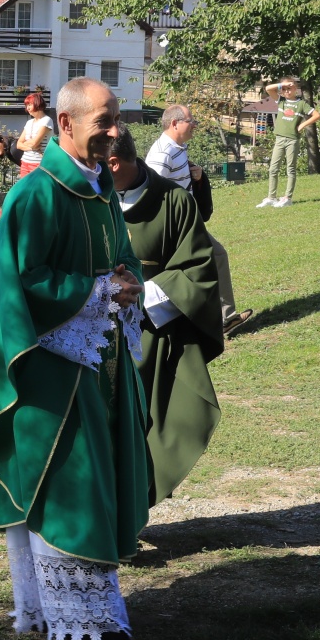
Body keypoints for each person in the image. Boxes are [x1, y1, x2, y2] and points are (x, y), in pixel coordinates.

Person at [0, 76, 161, 640]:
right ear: (65, 123)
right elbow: (20, 281)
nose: (115, 132)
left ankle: (72, 616)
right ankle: (91, 629)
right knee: (73, 490)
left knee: (100, 485)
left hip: (100, 364)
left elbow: (121, 259)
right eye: (103, 121)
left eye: (117, 119)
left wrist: (127, 283)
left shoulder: (99, 188)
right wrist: (98, 291)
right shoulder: (36, 195)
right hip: (55, 375)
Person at [106, 127, 224, 501]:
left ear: (113, 162)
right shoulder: (86, 197)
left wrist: (141, 295)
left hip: (149, 335)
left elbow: (198, 269)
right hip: (89, 332)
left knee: (142, 425)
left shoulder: (174, 201)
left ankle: (132, 508)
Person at [146, 106, 247, 333]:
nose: (195, 125)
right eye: (190, 121)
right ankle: (219, 319)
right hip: (177, 226)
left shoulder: (178, 147)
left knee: (210, 260)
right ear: (175, 124)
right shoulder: (162, 153)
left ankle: (219, 319)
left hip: (187, 221)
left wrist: (197, 177)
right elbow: (152, 192)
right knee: (211, 259)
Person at [257, 79, 320, 208]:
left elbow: (316, 115)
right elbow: (268, 89)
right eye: (284, 89)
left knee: (290, 169)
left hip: (292, 140)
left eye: (289, 88)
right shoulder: (281, 101)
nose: (287, 91)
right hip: (279, 139)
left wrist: (302, 124)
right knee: (273, 169)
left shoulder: (301, 104)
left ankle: (287, 198)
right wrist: (283, 85)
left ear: (295, 89)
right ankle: (271, 197)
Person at [16, 87, 53, 176]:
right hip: (25, 161)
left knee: (38, 185)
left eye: (29, 105)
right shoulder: (29, 122)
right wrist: (31, 147)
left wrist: (27, 144)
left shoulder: (46, 120)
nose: (27, 108)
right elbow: (18, 144)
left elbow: (35, 143)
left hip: (39, 162)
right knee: (24, 185)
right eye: (26, 105)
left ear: (37, 104)